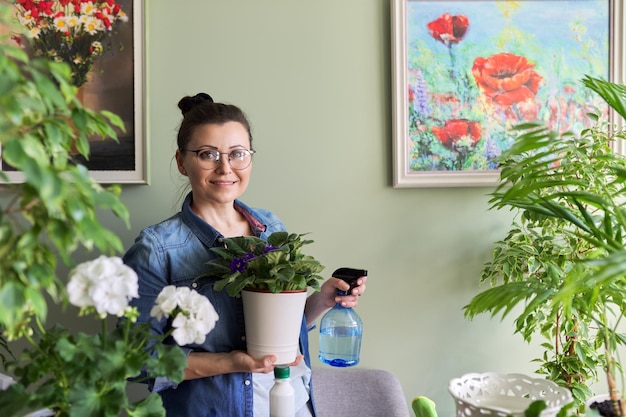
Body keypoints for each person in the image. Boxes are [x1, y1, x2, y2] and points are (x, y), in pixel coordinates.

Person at [123, 92, 367, 417]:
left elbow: (275, 329)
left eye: (237, 154)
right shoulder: (156, 249)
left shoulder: (271, 228)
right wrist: (229, 363)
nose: (225, 168)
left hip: (293, 403)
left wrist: (322, 300)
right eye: (208, 154)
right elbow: (136, 359)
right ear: (182, 161)